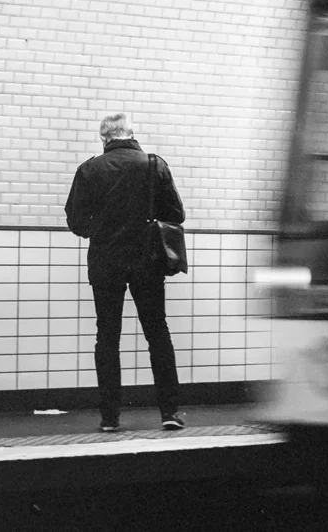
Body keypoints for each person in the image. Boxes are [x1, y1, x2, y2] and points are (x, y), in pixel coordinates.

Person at [65, 113, 186, 432]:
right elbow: (176, 213)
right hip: (147, 262)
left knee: (107, 335)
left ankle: (109, 418)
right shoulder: (153, 164)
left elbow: (75, 220)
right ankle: (170, 412)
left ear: (104, 139)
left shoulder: (89, 169)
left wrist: (102, 229)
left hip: (105, 262)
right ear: (131, 134)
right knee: (157, 332)